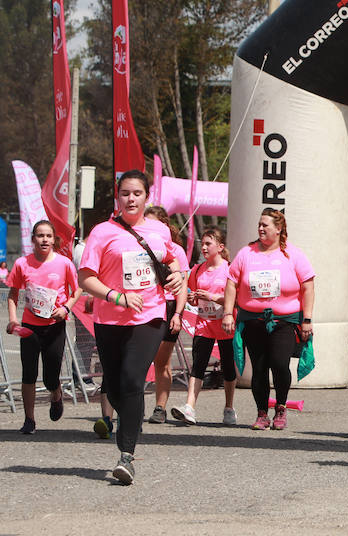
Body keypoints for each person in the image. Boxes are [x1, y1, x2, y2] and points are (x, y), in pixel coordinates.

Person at [78, 170, 185, 484]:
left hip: (150, 315)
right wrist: (116, 296)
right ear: (118, 196)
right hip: (110, 318)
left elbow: (173, 261)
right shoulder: (102, 232)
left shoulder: (159, 230)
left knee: (133, 378)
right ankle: (129, 420)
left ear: (146, 196)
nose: (131, 199)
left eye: (137, 193)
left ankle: (126, 456)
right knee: (114, 383)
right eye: (125, 193)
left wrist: (177, 276)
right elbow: (86, 278)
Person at [222, 208, 315, 431]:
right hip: (253, 320)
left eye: (265, 225)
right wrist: (227, 313)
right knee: (260, 367)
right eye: (259, 225)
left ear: (279, 228)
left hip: (284, 321)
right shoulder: (247, 253)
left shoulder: (293, 254)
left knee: (280, 364)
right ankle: (262, 413)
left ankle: (281, 407)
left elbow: (308, 286)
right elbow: (231, 283)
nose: (261, 228)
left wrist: (308, 319)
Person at [5, 220, 81, 434]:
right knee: (28, 373)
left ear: (53, 239)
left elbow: (77, 291)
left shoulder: (64, 263)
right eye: (40, 235)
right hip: (30, 326)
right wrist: (13, 319)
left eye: (48, 236)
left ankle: (56, 396)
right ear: (33, 239)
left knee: (50, 376)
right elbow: (13, 294)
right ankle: (29, 420)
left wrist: (65, 308)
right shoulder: (22, 263)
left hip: (54, 325)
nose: (44, 239)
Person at [170, 227, 237, 426]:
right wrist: (192, 297)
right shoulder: (198, 270)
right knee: (198, 365)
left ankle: (229, 406)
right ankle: (189, 407)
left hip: (225, 324)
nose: (204, 247)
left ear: (220, 246)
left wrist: (212, 297)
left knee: (228, 368)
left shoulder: (229, 269)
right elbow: (188, 289)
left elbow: (235, 299)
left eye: (208, 244)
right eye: (203, 244)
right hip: (204, 324)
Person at [143, 206, 189, 424]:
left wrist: (178, 314)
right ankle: (133, 405)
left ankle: (159, 407)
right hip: (145, 305)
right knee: (140, 359)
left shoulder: (176, 251)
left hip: (169, 307)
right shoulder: (137, 246)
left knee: (162, 361)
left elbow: (182, 285)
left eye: (154, 225)